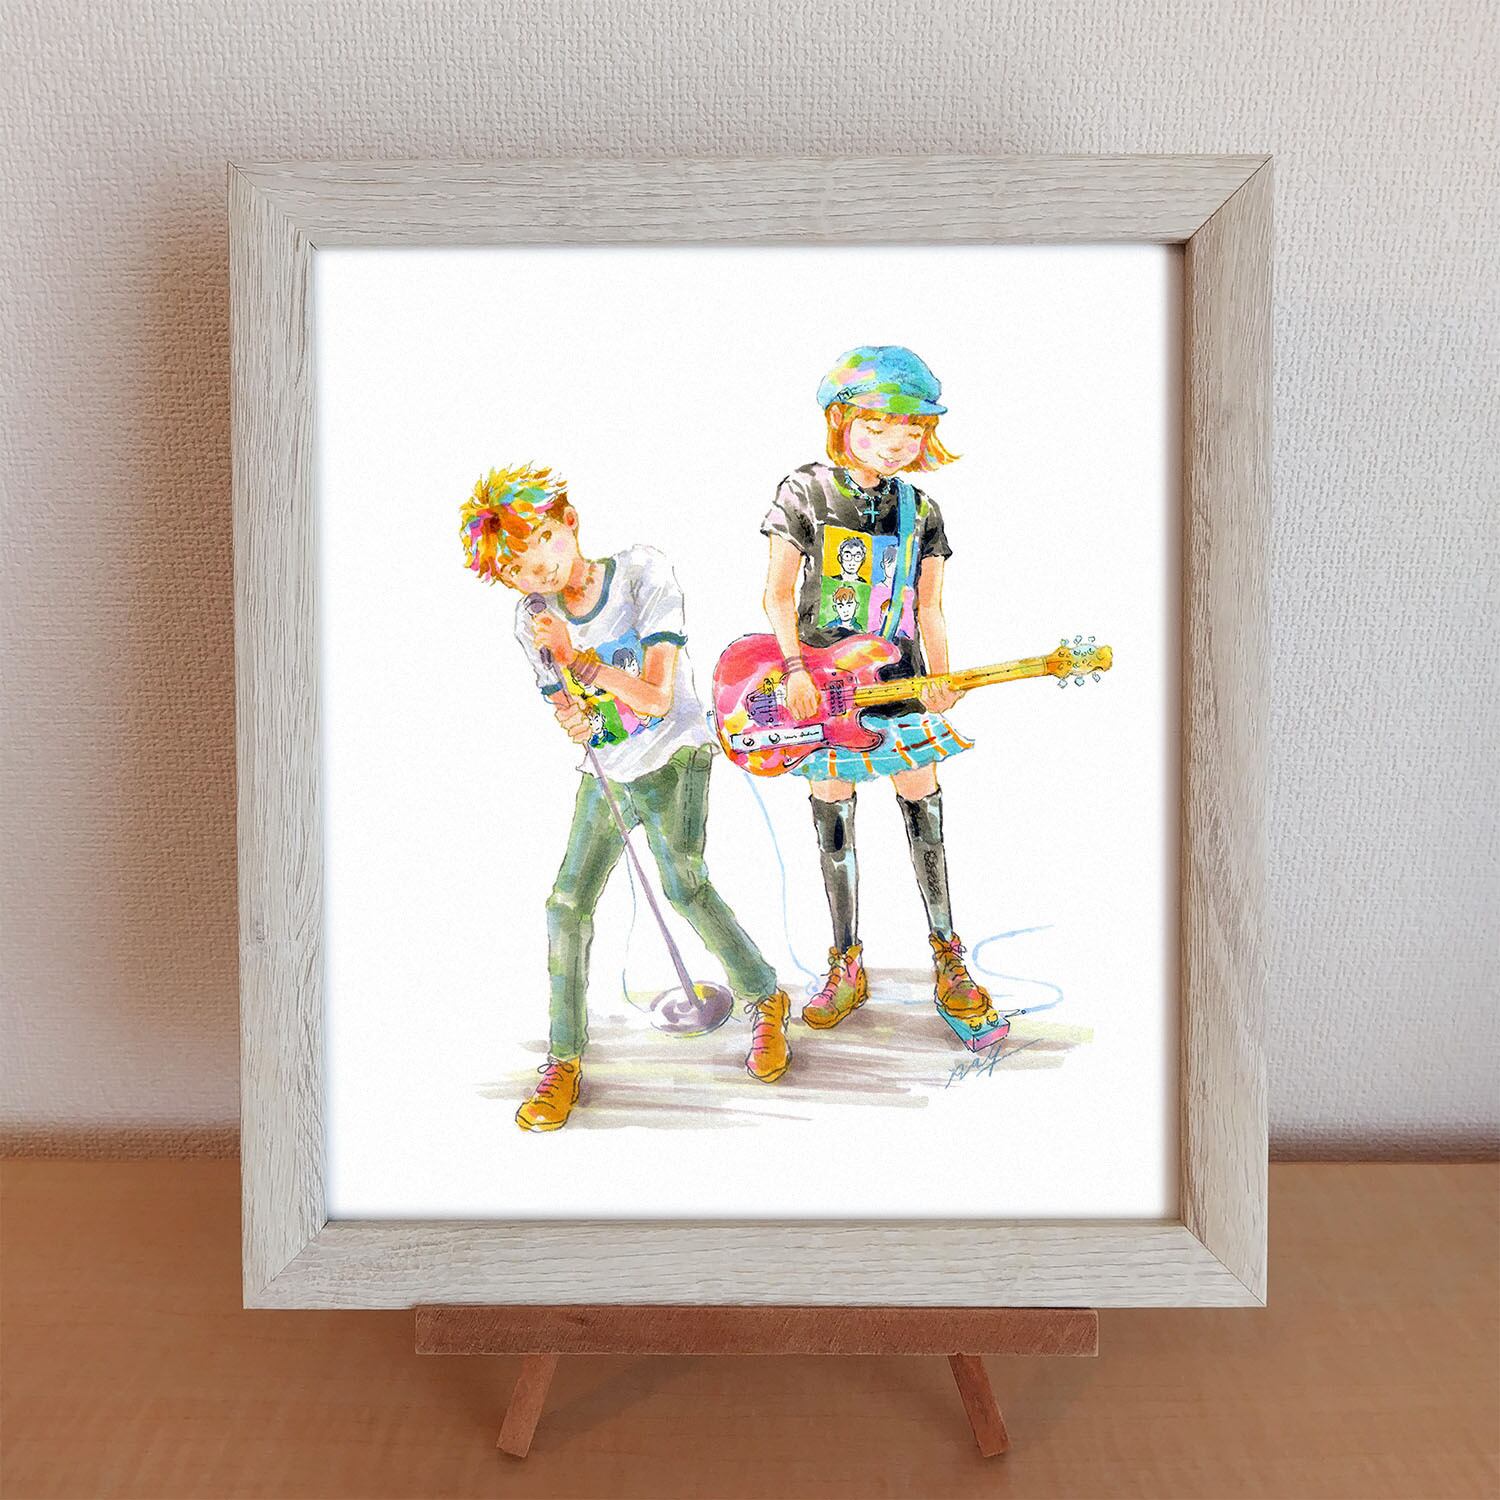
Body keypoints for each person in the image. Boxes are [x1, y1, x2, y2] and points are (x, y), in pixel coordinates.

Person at [461, 464, 794, 1130]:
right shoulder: (533, 619)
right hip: (609, 770)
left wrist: (580, 661)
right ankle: (563, 1060)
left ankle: (764, 998)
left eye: (543, 542)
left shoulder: (642, 572)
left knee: (684, 887)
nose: (538, 569)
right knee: (566, 903)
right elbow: (566, 702)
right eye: (518, 569)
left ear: (569, 521)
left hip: (674, 756)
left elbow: (656, 697)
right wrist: (571, 714)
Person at [760, 346, 995, 1035]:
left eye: (912, 428)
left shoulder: (921, 510)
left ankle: (947, 954)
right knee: (833, 818)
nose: (896, 441)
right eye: (878, 425)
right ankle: (845, 961)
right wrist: (795, 670)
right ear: (841, 421)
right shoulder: (804, 492)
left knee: (924, 809)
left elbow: (930, 607)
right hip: (821, 692)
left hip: (899, 688)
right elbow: (777, 594)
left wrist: (941, 677)